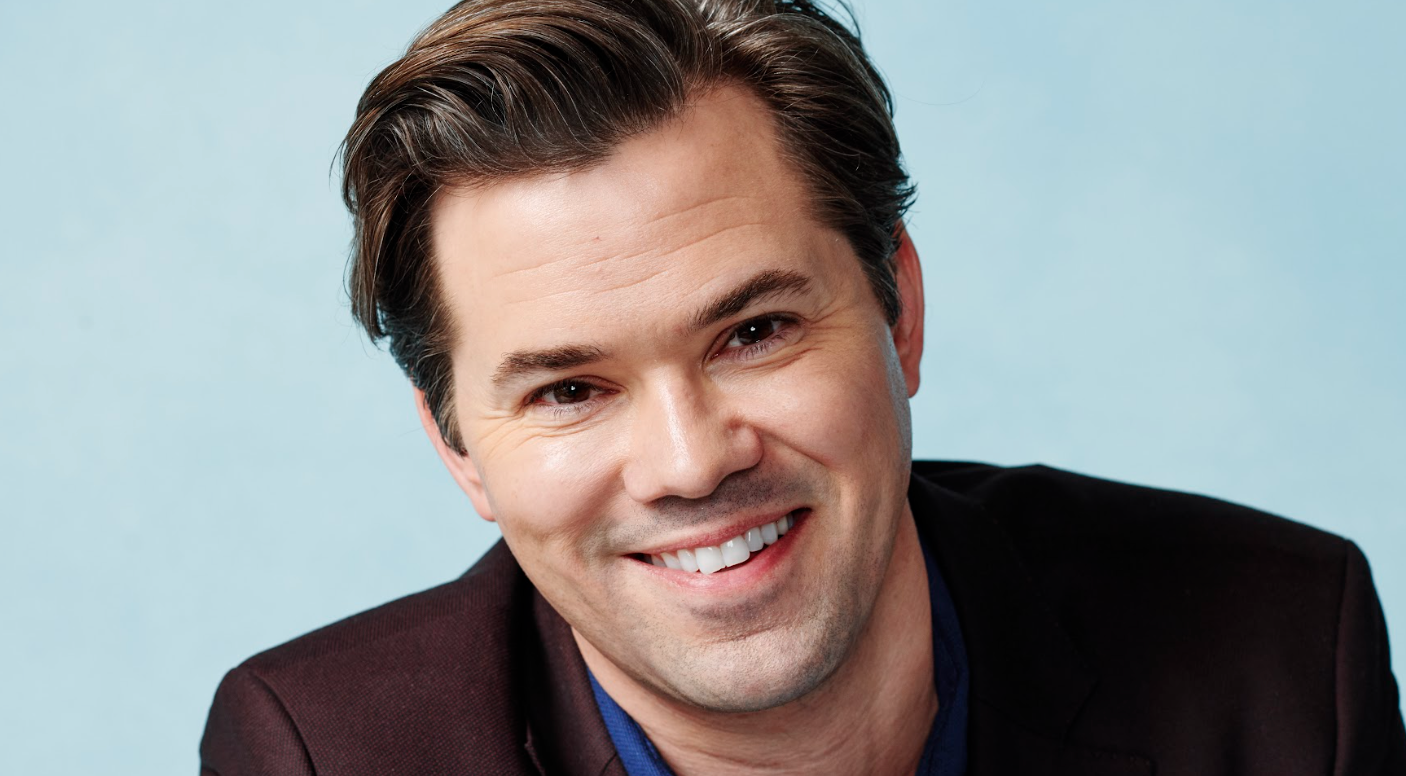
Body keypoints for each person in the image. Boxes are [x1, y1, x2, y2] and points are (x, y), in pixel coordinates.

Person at [199, 1, 1405, 774]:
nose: (689, 460)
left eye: (754, 331)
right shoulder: (319, 752)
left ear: (898, 310)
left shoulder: (1278, 653)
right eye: (568, 390)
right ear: (459, 448)